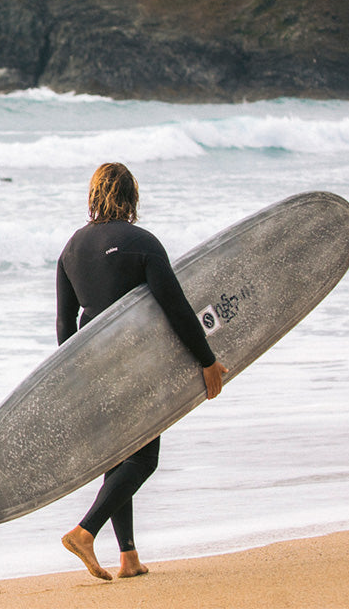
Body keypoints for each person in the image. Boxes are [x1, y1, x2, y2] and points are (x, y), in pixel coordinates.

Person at [55, 162, 228, 581]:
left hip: (91, 366)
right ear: (131, 195)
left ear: (94, 196)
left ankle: (128, 557)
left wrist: (70, 383)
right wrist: (207, 361)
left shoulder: (71, 249)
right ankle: (84, 531)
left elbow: (64, 325)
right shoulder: (142, 243)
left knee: (118, 458)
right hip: (135, 362)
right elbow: (176, 307)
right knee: (144, 458)